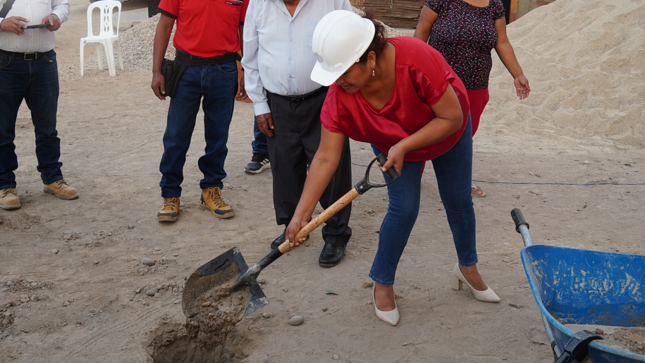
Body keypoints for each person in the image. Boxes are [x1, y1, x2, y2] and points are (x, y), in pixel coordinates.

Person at [285, 10, 500, 326]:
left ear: (370, 59)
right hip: (392, 140)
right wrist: (301, 213)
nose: (337, 81)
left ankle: (467, 268)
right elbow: (326, 158)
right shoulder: (341, 96)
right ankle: (382, 283)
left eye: (343, 71)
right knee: (404, 209)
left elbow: (451, 118)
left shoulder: (415, 59)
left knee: (458, 200)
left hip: (446, 130)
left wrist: (405, 146)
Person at [242, 0, 354, 267]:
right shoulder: (258, 4)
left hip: (324, 97)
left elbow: (351, 40)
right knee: (284, 165)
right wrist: (260, 104)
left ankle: (336, 234)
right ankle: (293, 226)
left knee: (332, 168)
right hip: (277, 102)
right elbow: (251, 57)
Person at [413, 0, 531, 198]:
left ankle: (459, 182)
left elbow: (502, 41)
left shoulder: (494, 5)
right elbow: (422, 31)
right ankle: (410, 178)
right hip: (439, 85)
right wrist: (414, 70)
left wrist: (518, 74)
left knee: (463, 138)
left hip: (476, 85)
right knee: (425, 132)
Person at [151, 0, 248, 222]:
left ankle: (212, 189)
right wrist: (156, 71)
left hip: (224, 71)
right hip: (186, 70)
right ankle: (170, 193)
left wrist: (245, 70)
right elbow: (164, 26)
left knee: (218, 135)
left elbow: (244, 31)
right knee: (176, 135)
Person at [0, 0, 78, 211]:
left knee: (47, 128)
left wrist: (56, 17)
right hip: (6, 64)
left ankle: (52, 178)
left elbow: (62, 5)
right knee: (3, 130)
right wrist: (1, 23)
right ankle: (5, 185)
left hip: (45, 63)